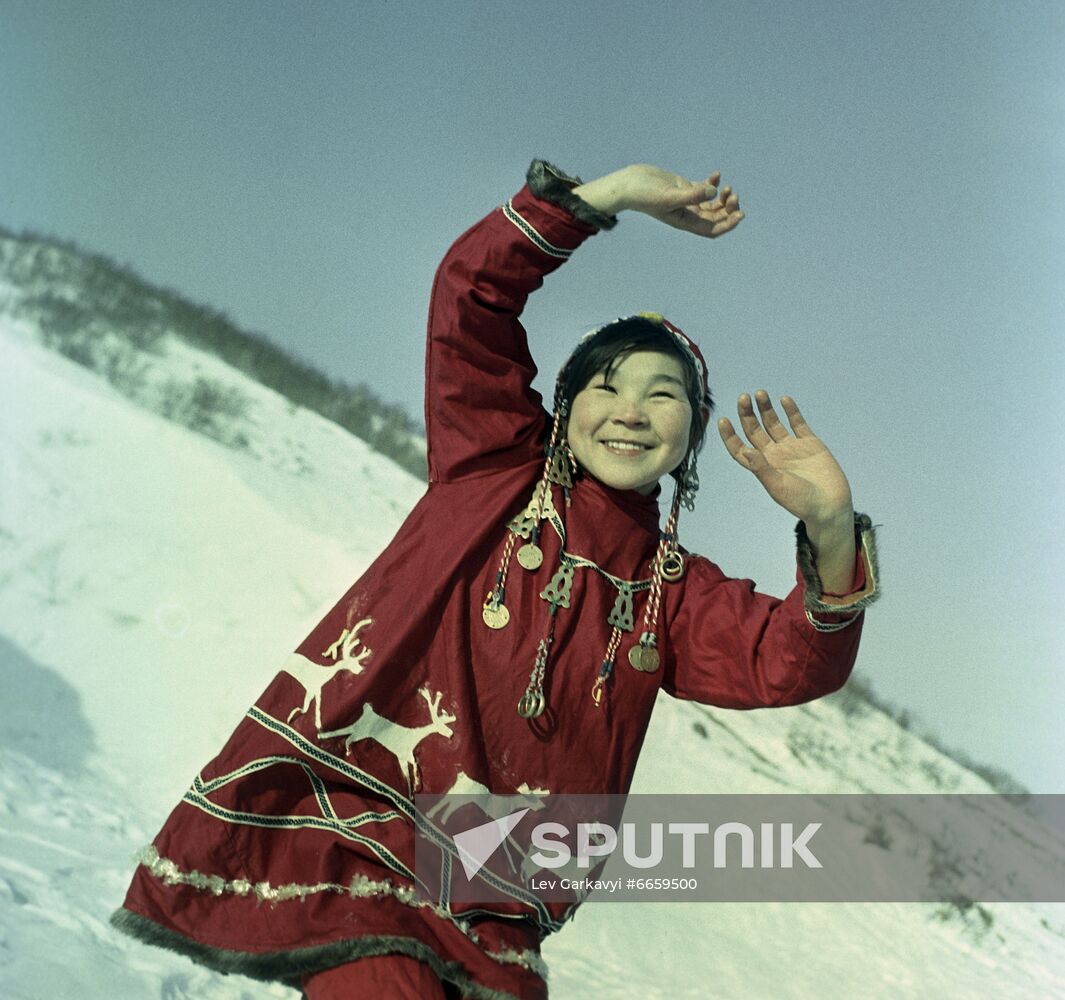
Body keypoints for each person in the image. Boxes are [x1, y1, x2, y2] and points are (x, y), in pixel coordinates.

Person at [111, 159, 878, 999]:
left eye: (664, 396)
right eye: (606, 383)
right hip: (367, 834)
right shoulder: (490, 463)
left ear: (690, 435)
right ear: (564, 401)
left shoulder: (674, 593)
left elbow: (790, 659)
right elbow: (469, 297)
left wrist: (829, 526)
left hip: (496, 896)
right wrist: (607, 197)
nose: (629, 409)